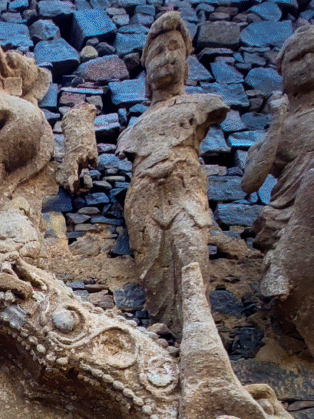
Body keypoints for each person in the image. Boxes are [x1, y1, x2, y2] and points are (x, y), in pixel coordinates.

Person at [116, 11, 228, 335]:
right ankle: (166, 328)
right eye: (157, 53)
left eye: (173, 49)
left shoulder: (202, 105)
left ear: (186, 59)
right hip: (144, 200)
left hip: (184, 189)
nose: (166, 59)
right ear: (146, 70)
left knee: (189, 248)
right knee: (156, 269)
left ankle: (196, 332)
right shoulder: (135, 129)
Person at [241, 24, 314, 355]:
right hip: (291, 211)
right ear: (283, 70)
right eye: (300, 56)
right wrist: (276, 124)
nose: (310, 60)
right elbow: (250, 181)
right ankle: (280, 264)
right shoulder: (285, 126)